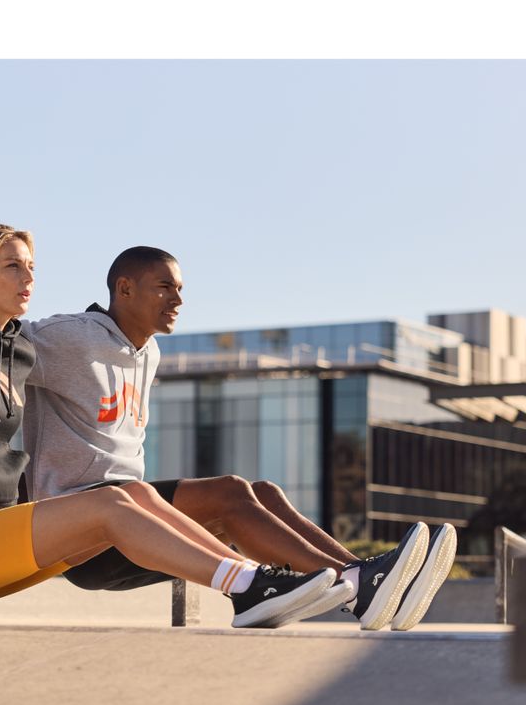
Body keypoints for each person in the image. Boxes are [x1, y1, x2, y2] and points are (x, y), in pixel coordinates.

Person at [0, 223, 346, 630]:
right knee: (113, 501)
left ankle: (279, 584)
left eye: (32, 267)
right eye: (12, 267)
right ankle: (248, 586)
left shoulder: (17, 349)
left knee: (130, 491)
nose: (28, 278)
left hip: (3, 533)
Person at [23, 246, 457, 632]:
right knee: (229, 492)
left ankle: (363, 584)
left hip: (134, 526)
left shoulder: (148, 352)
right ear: (125, 288)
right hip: (80, 526)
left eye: (180, 289)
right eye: (164, 287)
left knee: (261, 494)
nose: (178, 300)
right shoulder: (69, 337)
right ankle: (361, 585)